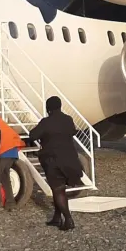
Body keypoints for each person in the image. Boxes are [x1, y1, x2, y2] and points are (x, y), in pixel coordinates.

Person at [31, 96, 84, 231]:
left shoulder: (46, 122)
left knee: (58, 189)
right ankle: (56, 217)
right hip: (70, 158)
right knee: (60, 190)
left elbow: (33, 135)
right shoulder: (68, 120)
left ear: (48, 108)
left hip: (53, 160)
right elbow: (72, 131)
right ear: (60, 106)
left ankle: (68, 219)